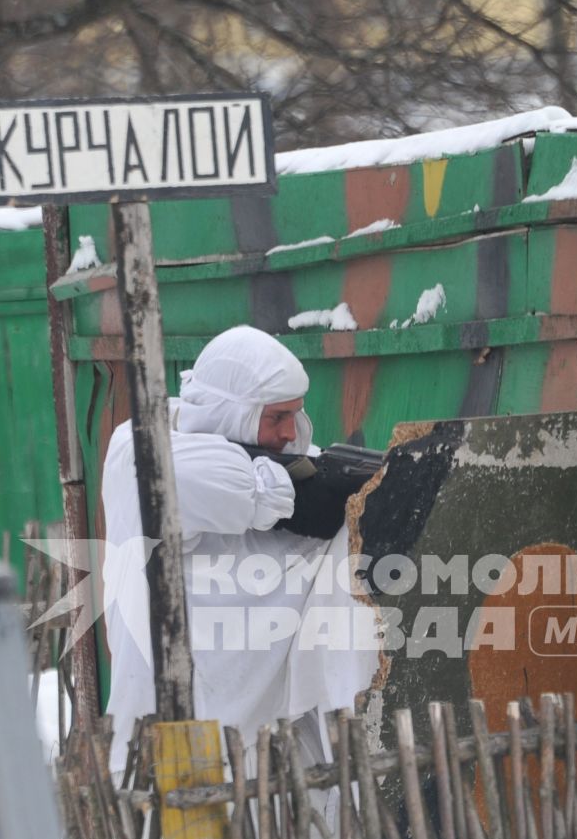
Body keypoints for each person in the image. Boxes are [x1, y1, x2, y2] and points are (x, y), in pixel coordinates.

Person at [99, 325, 378, 773]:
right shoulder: (141, 455)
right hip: (180, 742)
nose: (290, 432)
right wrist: (291, 493)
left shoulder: (282, 467)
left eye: (294, 415)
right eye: (275, 417)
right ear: (232, 413)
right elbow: (224, 484)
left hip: (268, 751)